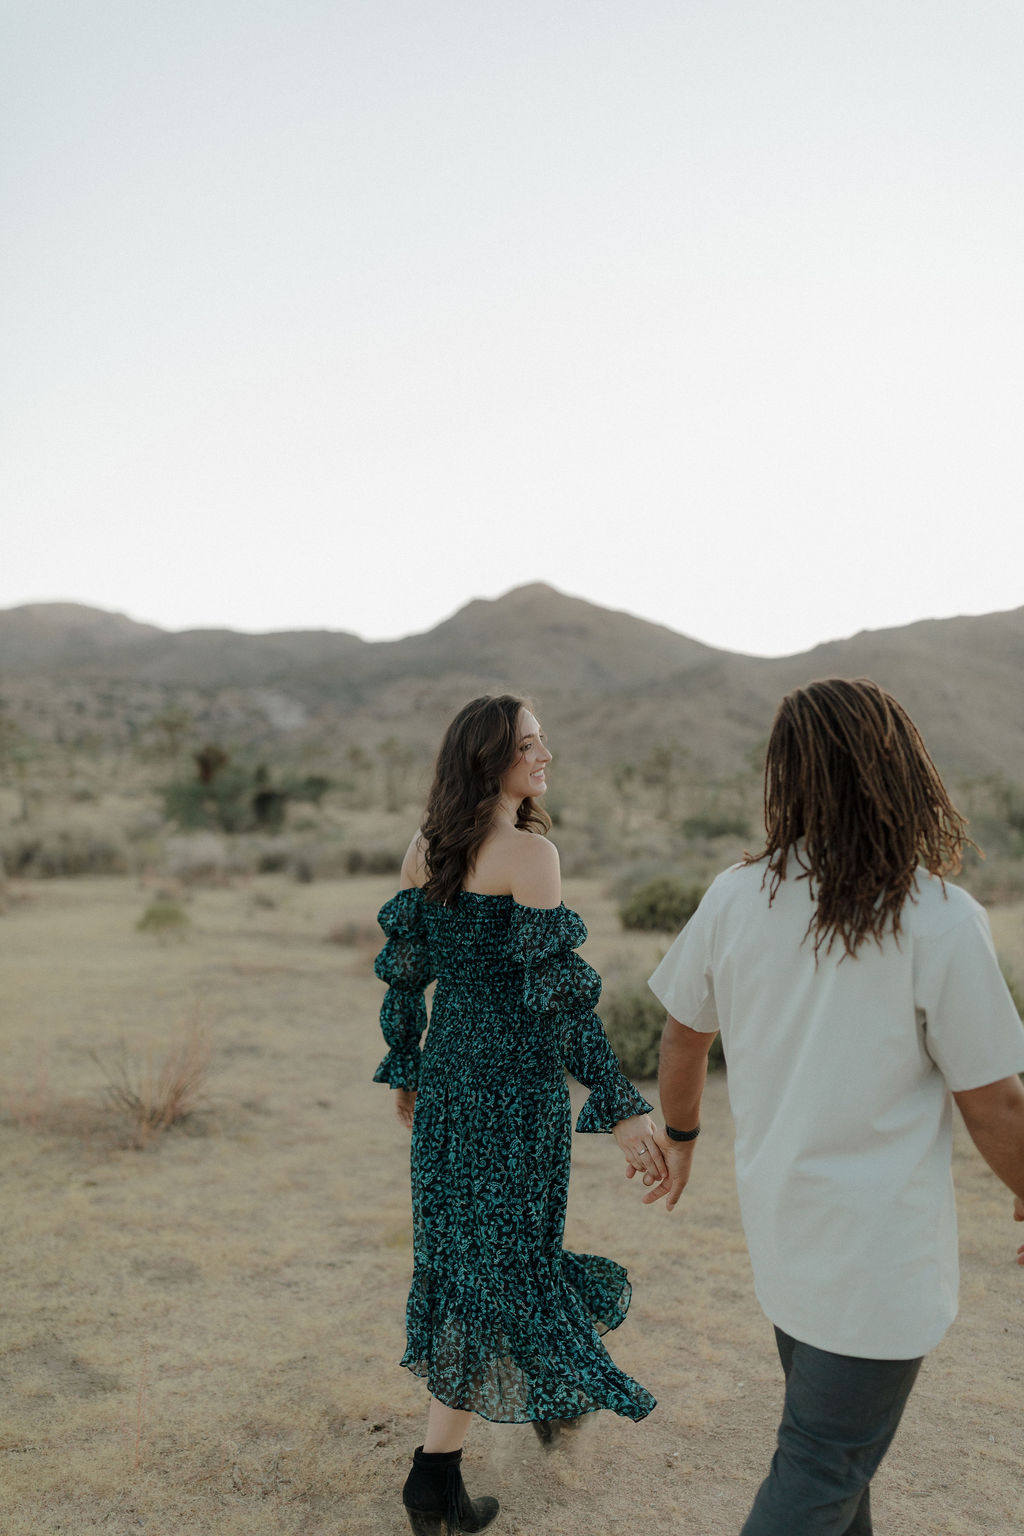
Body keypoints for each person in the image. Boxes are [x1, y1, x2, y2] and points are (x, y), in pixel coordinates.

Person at [643, 676, 1024, 1536]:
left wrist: (683, 1135)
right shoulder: (937, 917)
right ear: (901, 771)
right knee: (820, 1466)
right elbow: (995, 1099)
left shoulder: (736, 897)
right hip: (879, 1263)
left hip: (787, 1237)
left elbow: (680, 1034)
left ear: (790, 776)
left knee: (833, 1462)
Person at [373, 694, 662, 1536]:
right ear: (487, 761)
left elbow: (406, 973)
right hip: (514, 1092)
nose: (545, 755)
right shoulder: (530, 856)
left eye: (542, 741)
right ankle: (435, 1479)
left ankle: (542, 1395)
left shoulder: (423, 851)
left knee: (476, 1253)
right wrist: (619, 1106)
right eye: (528, 745)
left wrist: (409, 1066)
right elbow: (561, 1006)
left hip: (453, 1084)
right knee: (503, 1259)